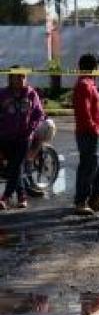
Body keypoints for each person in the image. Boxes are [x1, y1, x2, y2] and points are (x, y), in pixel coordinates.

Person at [73, 53, 99, 216]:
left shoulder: (90, 83)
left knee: (98, 166)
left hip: (96, 132)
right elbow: (83, 112)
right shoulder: (84, 84)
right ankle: (80, 201)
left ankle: (95, 198)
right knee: (88, 167)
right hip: (88, 133)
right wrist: (94, 128)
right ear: (95, 67)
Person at [0, 68, 44, 210]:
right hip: (6, 137)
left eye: (23, 77)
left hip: (24, 138)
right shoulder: (3, 94)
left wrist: (31, 127)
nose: (21, 80)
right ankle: (22, 196)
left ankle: (4, 198)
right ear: (10, 78)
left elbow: (38, 113)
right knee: (14, 168)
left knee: (15, 166)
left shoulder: (31, 93)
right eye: (17, 77)